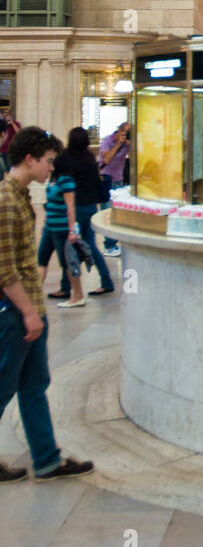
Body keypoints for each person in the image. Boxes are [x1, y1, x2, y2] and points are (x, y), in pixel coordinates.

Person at [0, 126, 95, 482]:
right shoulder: (6, 202)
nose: (51, 169)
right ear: (30, 159)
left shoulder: (22, 195)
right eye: (49, 161)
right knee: (3, 387)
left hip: (30, 310)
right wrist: (27, 312)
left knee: (33, 385)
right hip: (14, 314)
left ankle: (47, 460)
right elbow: (4, 268)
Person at [54, 128, 115, 296]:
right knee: (91, 246)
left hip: (73, 207)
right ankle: (106, 281)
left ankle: (66, 287)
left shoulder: (65, 159)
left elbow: (58, 180)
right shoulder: (89, 158)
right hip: (90, 207)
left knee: (67, 248)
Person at [37, 156, 80, 304]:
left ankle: (77, 295)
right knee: (41, 258)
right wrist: (45, 223)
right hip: (50, 226)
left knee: (67, 263)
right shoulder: (53, 179)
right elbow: (49, 203)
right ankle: (35, 296)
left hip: (62, 228)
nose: (49, 165)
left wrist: (72, 230)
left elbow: (70, 206)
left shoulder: (66, 180)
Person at [98, 121, 130, 256]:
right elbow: (106, 159)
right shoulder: (107, 140)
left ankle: (114, 243)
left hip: (119, 181)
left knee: (118, 214)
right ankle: (109, 245)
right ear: (119, 131)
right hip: (105, 179)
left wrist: (131, 144)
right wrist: (118, 144)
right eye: (126, 133)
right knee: (107, 214)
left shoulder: (127, 144)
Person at [0, 106, 21, 178]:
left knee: (11, 169)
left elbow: (19, 133)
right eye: (4, 113)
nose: (6, 115)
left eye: (8, 113)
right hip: (3, 150)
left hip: (12, 150)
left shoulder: (16, 123)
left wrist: (12, 122)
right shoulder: (2, 124)